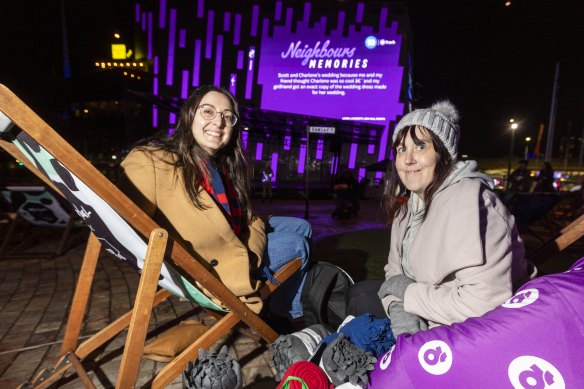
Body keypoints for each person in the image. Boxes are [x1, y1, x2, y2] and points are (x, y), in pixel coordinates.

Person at [118, 85, 311, 322]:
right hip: (209, 267)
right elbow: (129, 229)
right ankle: (286, 316)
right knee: (298, 243)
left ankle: (282, 300)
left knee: (303, 226)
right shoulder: (152, 160)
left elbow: (241, 215)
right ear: (189, 115)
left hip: (230, 236)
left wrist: (252, 228)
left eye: (227, 117)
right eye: (208, 112)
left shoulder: (218, 164)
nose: (219, 122)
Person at [346, 101, 536, 337]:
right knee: (358, 292)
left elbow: (483, 305)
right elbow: (394, 270)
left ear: (443, 155)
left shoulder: (473, 203)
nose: (408, 159)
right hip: (430, 310)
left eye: (421, 147)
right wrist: (400, 308)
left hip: (471, 332)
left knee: (362, 303)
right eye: (401, 149)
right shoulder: (408, 209)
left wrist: (409, 295)